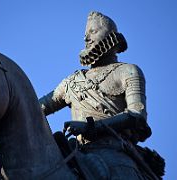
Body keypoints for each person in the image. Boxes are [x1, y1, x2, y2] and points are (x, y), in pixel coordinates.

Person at [39, 11, 162, 179]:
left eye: (93, 32)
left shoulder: (128, 71)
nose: (86, 38)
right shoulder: (71, 82)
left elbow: (137, 115)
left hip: (115, 152)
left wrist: (91, 127)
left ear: (111, 36)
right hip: (78, 152)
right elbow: (34, 108)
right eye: (85, 34)